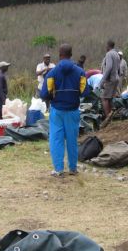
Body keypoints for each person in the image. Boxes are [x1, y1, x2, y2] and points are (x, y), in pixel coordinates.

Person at [39, 44, 88, 176]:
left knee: (56, 140)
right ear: (71, 55)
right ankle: (73, 168)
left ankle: (59, 169)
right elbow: (85, 92)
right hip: (73, 110)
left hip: (57, 110)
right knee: (72, 139)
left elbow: (44, 94)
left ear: (60, 55)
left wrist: (53, 96)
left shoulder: (52, 73)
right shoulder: (80, 72)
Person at [98, 40, 121, 127]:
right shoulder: (116, 54)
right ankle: (111, 117)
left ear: (108, 46)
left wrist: (102, 81)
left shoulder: (109, 54)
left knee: (104, 98)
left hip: (110, 79)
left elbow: (109, 67)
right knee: (110, 98)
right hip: (116, 78)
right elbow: (118, 68)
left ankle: (108, 119)